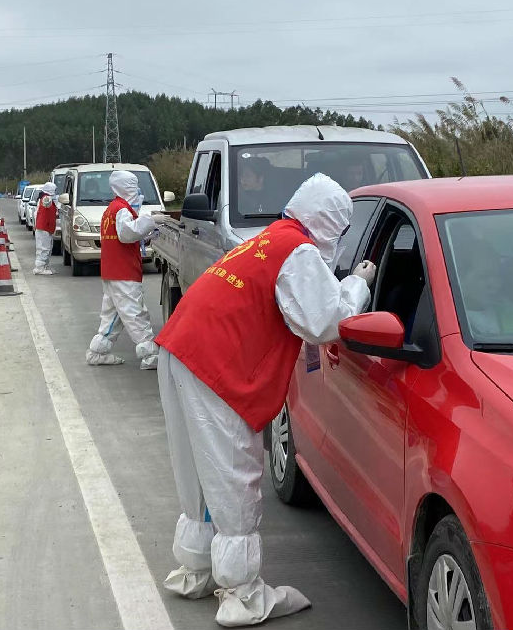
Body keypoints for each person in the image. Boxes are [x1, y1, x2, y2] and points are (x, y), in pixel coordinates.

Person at [155, 173, 377, 627]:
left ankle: (197, 568)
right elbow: (325, 321)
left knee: (198, 470)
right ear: (331, 224)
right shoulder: (299, 252)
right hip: (215, 365)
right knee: (233, 472)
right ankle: (242, 593)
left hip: (180, 346)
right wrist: (357, 283)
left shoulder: (270, 238)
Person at [85, 170, 160, 369]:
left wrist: (147, 235)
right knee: (135, 313)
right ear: (127, 187)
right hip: (123, 271)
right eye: (133, 186)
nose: (136, 190)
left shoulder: (112, 209)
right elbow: (127, 234)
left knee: (113, 315)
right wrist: (151, 220)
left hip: (112, 270)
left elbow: (122, 237)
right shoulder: (122, 209)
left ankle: (97, 353)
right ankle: (151, 356)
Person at [33, 181, 58, 275]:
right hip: (44, 228)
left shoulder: (45, 198)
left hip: (45, 228)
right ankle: (39, 268)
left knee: (46, 248)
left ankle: (44, 266)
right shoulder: (46, 199)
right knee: (43, 248)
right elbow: (46, 203)